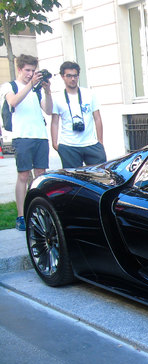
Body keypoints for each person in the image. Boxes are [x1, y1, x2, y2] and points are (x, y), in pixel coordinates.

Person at [3, 54, 52, 231]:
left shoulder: (36, 89)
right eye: (27, 70)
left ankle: (39, 211)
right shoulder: (10, 86)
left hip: (40, 136)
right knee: (23, 176)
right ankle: (21, 215)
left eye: (33, 70)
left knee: (40, 176)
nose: (30, 74)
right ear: (19, 69)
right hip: (22, 136)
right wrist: (30, 85)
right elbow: (13, 102)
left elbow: (48, 110)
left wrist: (47, 91)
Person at [51, 61, 106, 169]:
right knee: (73, 179)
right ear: (63, 77)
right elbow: (55, 122)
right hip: (69, 145)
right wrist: (55, 143)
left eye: (75, 76)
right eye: (69, 76)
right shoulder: (57, 98)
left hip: (91, 143)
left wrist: (100, 141)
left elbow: (97, 118)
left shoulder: (89, 94)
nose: (73, 79)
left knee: (100, 175)